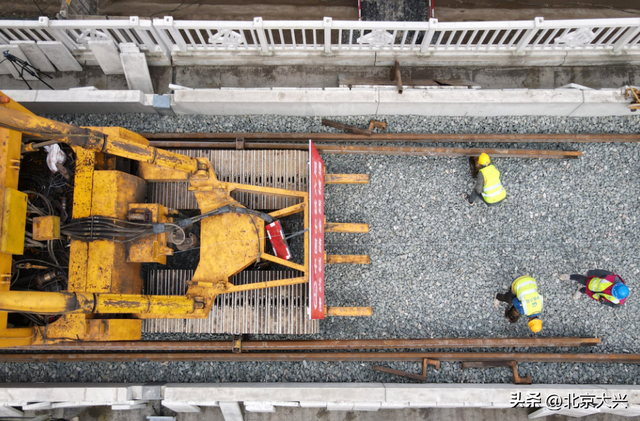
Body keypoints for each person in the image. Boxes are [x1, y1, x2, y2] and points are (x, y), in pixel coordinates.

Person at [559, 270, 629, 308]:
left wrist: (604, 302)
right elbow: (600, 272)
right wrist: (591, 273)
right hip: (592, 282)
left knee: (587, 291)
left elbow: (614, 306)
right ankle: (569, 277)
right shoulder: (612, 278)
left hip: (596, 294)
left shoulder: (618, 302)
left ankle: (580, 290)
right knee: (580, 279)